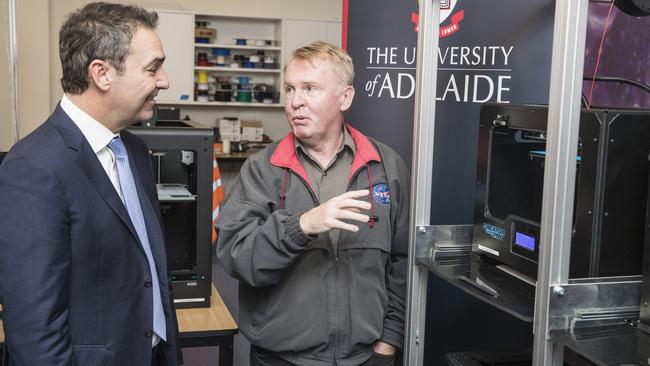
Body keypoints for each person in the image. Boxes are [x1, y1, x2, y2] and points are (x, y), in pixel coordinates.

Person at [0, 3, 181, 365]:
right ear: (101, 74)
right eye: (153, 67)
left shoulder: (135, 149)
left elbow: (147, 272)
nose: (164, 80)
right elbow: (35, 330)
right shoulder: (33, 167)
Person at [216, 41, 410, 366]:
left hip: (366, 357)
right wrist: (302, 226)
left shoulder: (385, 165)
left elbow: (403, 261)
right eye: (290, 89)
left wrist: (389, 340)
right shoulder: (263, 169)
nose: (295, 102)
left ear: (345, 97)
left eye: (310, 89)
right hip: (281, 357)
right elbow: (236, 258)